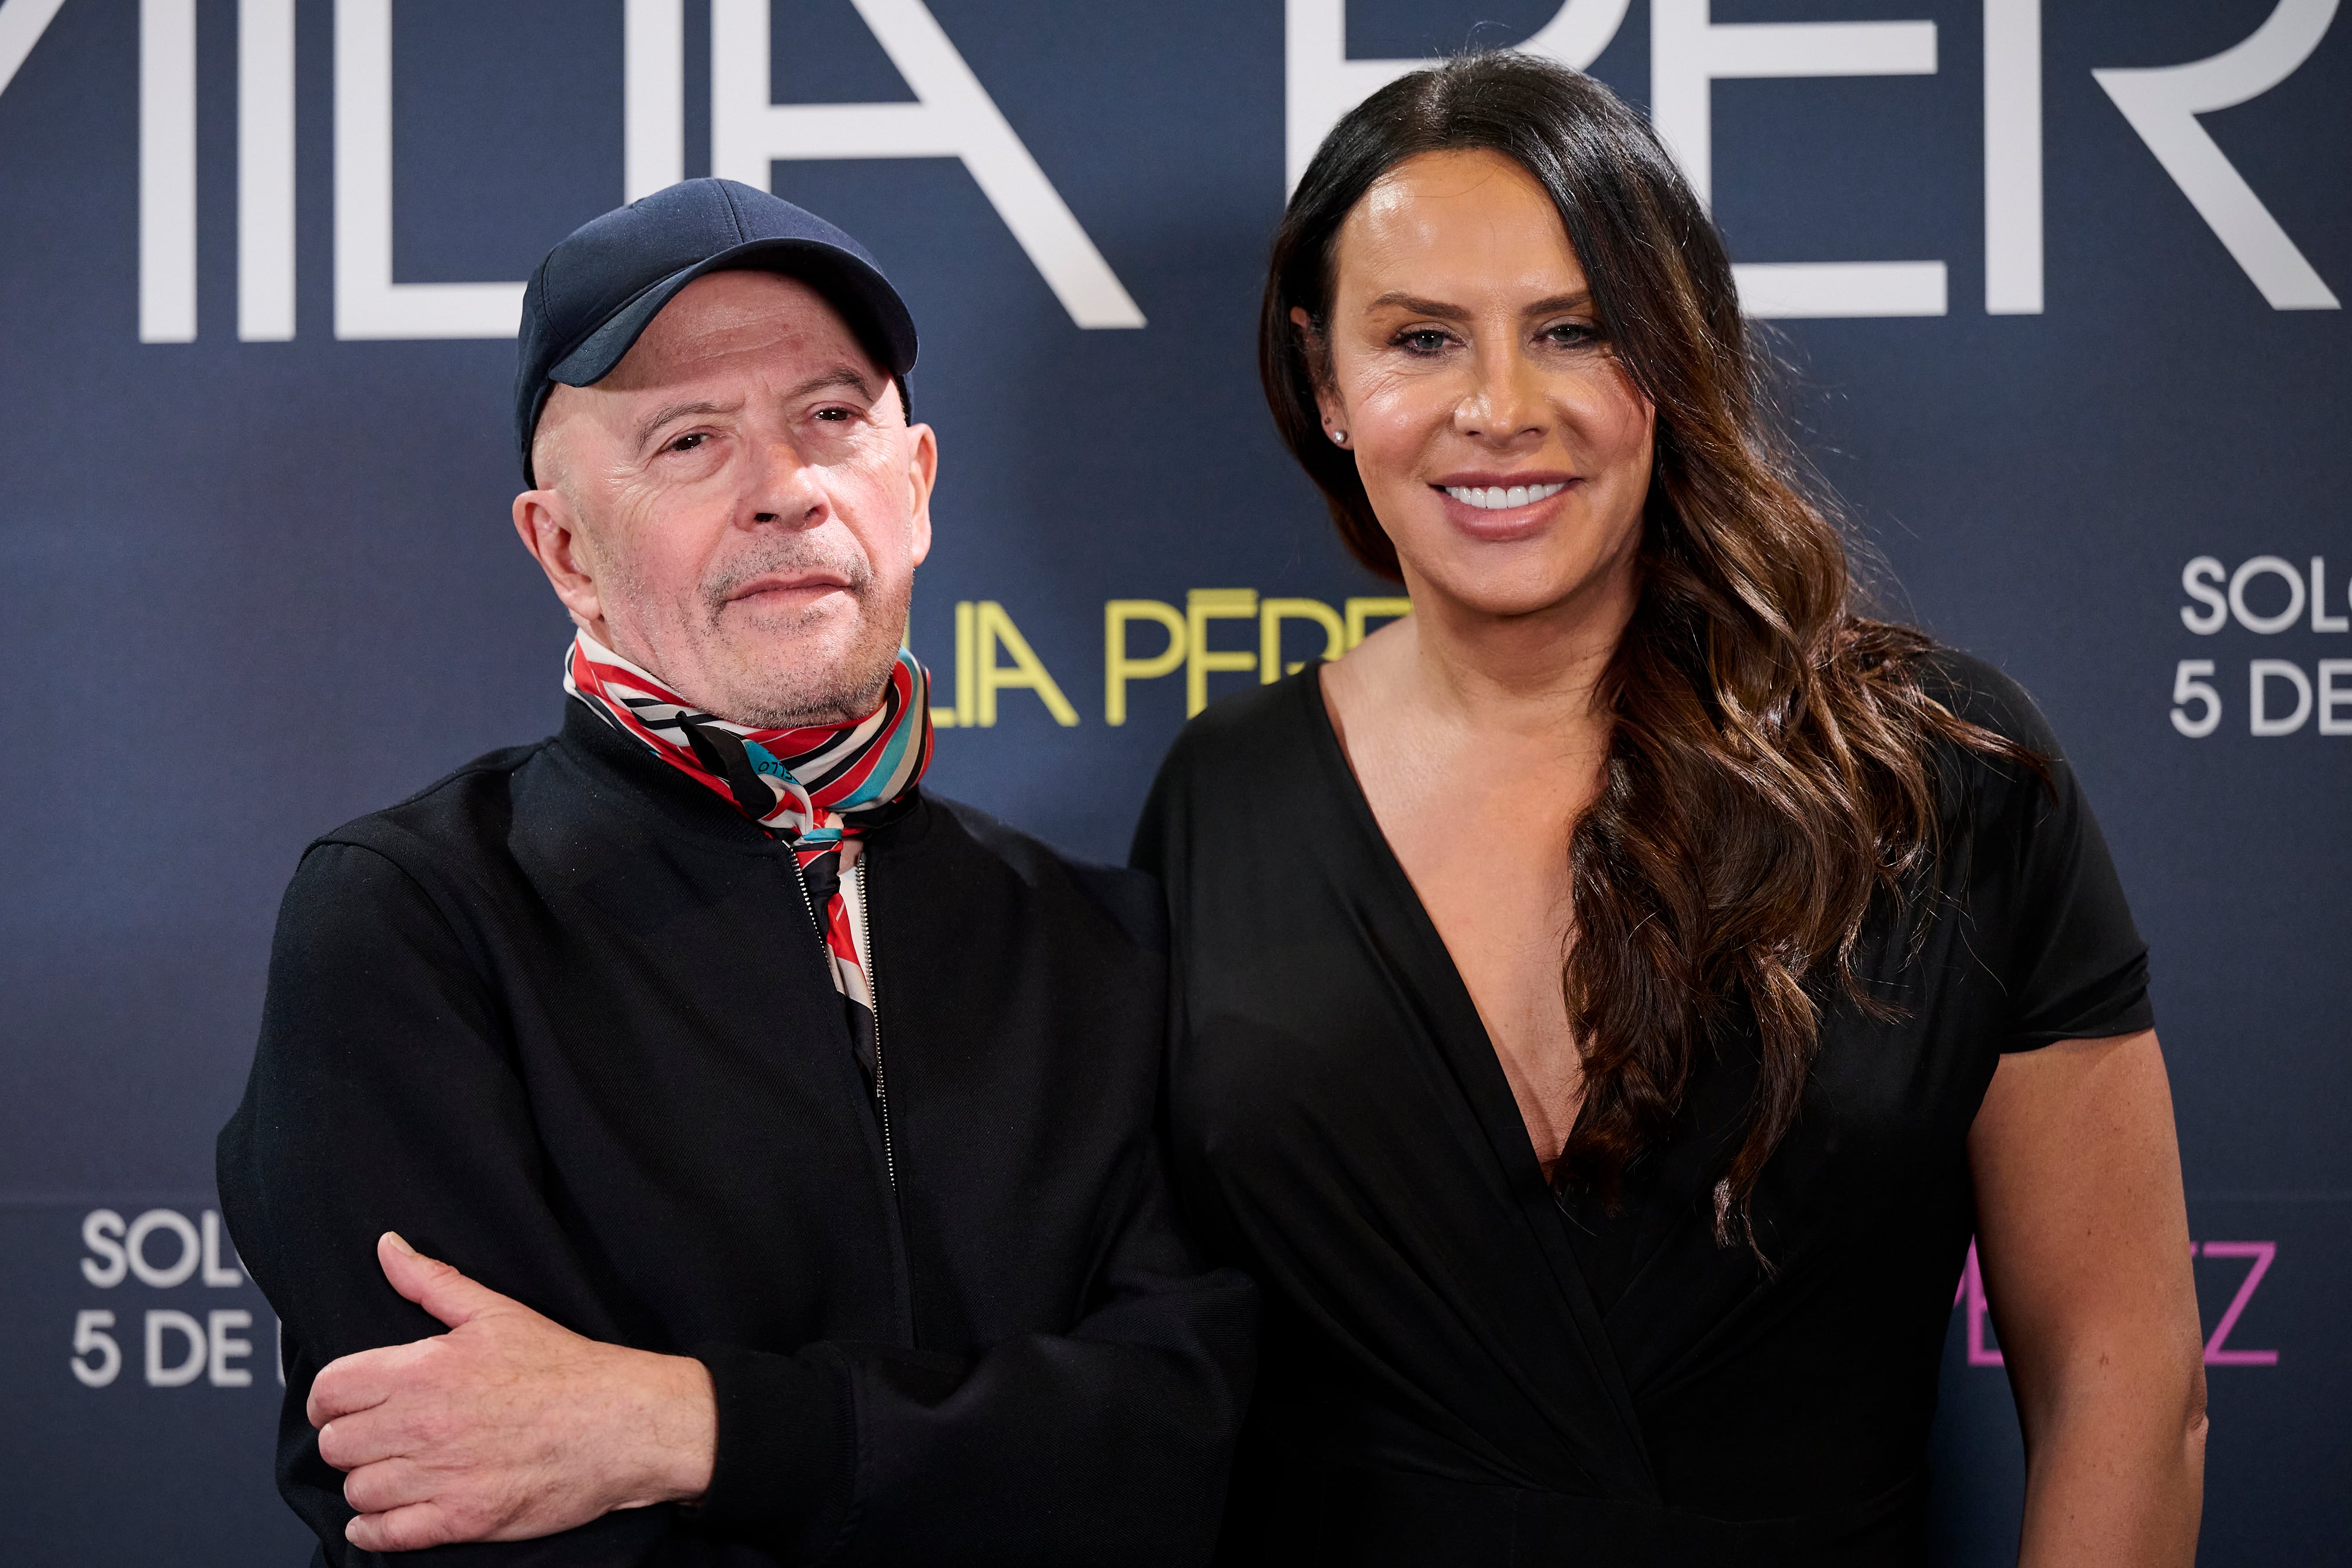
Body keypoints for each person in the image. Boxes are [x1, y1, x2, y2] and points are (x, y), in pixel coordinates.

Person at [1132, 54, 2206, 1567]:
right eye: (1420, 339)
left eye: (1572, 330)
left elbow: (2123, 1370)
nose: (1496, 409)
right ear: (1324, 382)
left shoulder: (1938, 776)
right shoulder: (1215, 801)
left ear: (1674, 353)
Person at [217, 178, 1252, 1566]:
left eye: (830, 416)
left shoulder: (1099, 942)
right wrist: (966, 1450)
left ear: (917, 483)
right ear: (565, 548)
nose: (783, 489)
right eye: (689, 439)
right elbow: (468, 1506)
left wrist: (687, 1425)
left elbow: (1173, 1454)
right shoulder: (411, 919)